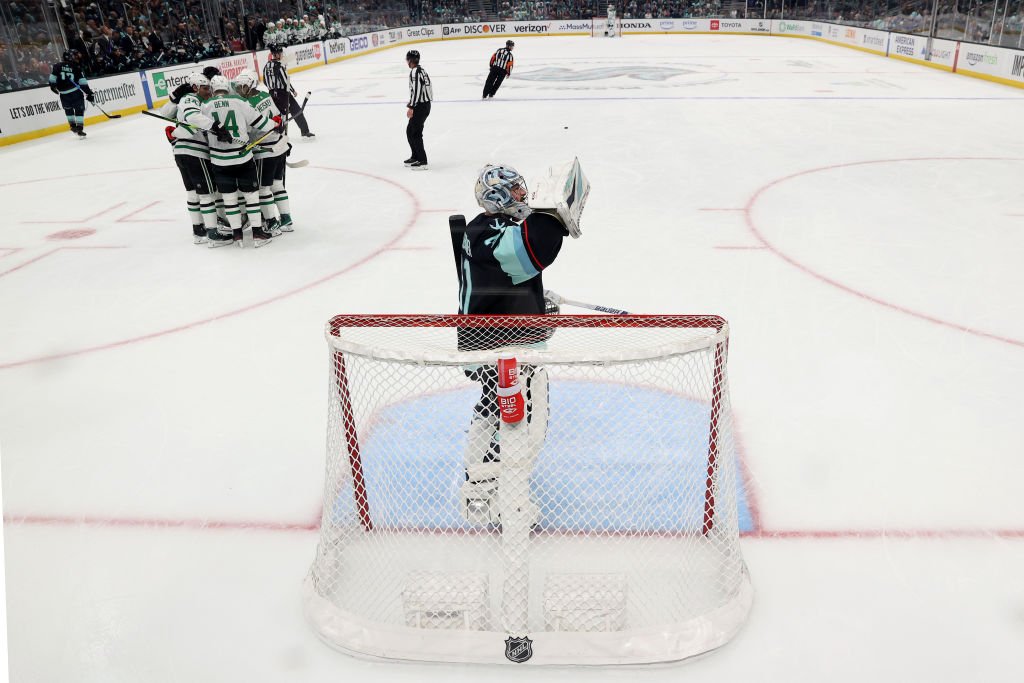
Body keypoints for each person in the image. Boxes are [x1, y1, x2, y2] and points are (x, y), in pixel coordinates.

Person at [452, 162, 587, 525]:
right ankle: (489, 495)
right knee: (517, 421)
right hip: (496, 347)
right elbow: (532, 250)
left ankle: (486, 489)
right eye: (514, 190)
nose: (523, 195)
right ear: (495, 196)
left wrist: (537, 304)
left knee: (501, 412)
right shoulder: (486, 232)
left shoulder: (494, 228)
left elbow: (510, 276)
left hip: (506, 342)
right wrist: (554, 211)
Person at [202, 75, 280, 247]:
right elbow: (260, 122)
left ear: (213, 90)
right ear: (227, 88)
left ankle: (237, 235)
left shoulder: (204, 106)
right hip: (242, 157)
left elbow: (199, 128)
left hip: (219, 161)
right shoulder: (239, 101)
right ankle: (258, 233)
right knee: (251, 197)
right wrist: (274, 124)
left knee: (229, 199)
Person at [158, 71, 233, 246]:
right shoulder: (192, 99)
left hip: (181, 151)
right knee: (207, 194)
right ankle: (213, 233)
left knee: (193, 193)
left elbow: (166, 114)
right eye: (205, 88)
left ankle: (198, 231)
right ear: (194, 88)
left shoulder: (192, 100)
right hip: (194, 152)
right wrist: (215, 126)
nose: (209, 91)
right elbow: (192, 117)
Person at [232, 69, 294, 235]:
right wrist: (280, 129)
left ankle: (271, 222)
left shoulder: (246, 104)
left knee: (263, 189)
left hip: (264, 150)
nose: (239, 90)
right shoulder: (266, 96)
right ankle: (286, 218)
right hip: (279, 146)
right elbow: (277, 118)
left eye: (242, 86)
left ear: (251, 85)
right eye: (238, 86)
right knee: (276, 184)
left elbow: (249, 127)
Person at [262, 44, 314, 138]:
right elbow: (285, 81)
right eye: (281, 53)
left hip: (272, 95)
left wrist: (272, 90)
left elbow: (265, 81)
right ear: (277, 55)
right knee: (296, 110)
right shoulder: (279, 65)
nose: (282, 55)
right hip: (283, 94)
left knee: (279, 115)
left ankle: (278, 134)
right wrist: (293, 90)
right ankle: (305, 132)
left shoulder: (266, 66)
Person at [48, 49, 93, 138]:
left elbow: (52, 79)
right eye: (75, 56)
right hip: (75, 92)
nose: (77, 58)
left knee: (68, 110)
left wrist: (53, 87)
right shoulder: (76, 67)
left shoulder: (57, 66)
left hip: (63, 94)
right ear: (71, 57)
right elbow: (83, 83)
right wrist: (89, 93)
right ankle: (79, 128)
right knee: (79, 110)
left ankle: (72, 126)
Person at [404, 50, 432, 170]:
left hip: (420, 106)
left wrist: (412, 107)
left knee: (415, 133)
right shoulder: (421, 70)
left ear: (410, 61)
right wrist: (413, 101)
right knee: (410, 131)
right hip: (423, 104)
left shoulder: (415, 72)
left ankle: (422, 160)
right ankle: (415, 156)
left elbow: (417, 90)